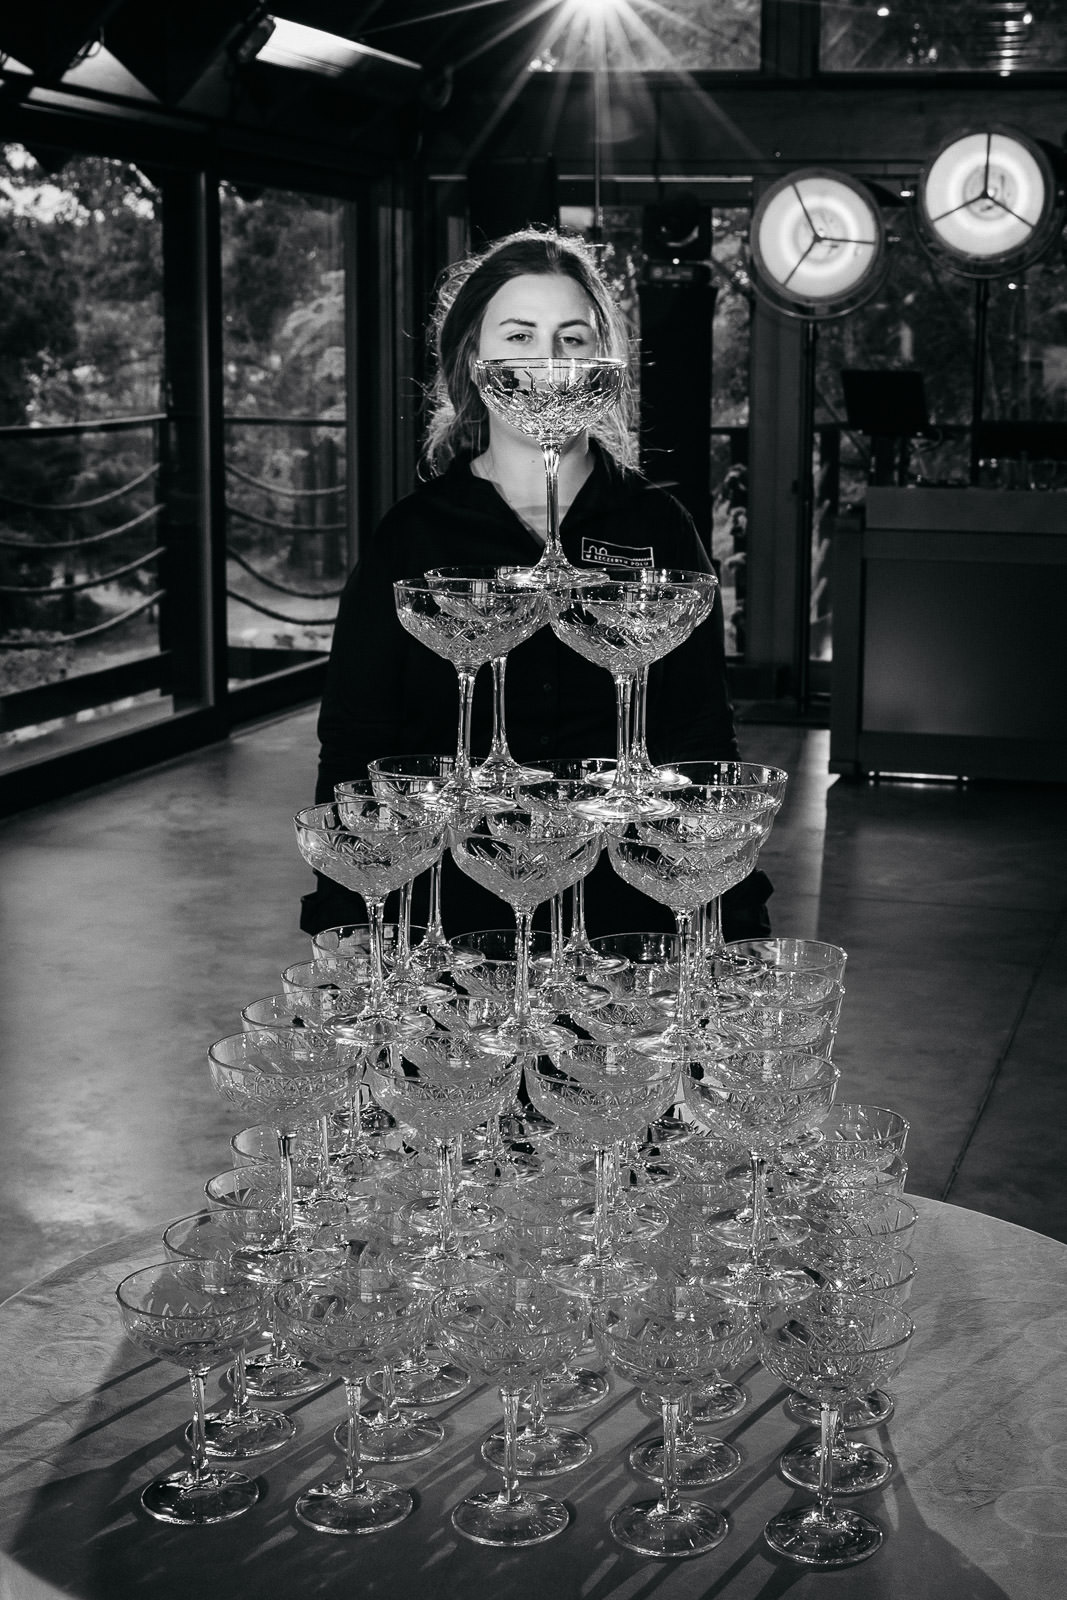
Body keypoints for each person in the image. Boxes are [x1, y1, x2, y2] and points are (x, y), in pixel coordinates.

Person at [300, 226, 772, 941]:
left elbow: (699, 730)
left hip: (622, 908)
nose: (549, 363)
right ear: (474, 359)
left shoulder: (657, 525)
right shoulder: (414, 534)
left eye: (572, 339)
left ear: (603, 364)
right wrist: (347, 914)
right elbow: (355, 738)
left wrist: (730, 913)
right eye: (519, 336)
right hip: (454, 906)